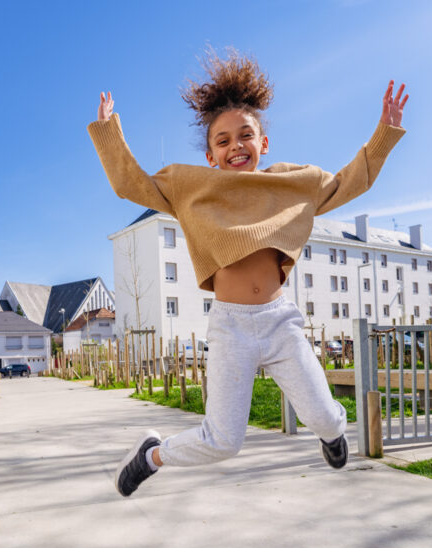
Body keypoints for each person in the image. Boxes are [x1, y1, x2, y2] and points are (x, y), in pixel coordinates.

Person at [88, 50, 407, 497]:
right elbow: (130, 184)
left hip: (280, 321)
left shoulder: (292, 184)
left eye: (245, 135)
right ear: (210, 154)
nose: (235, 146)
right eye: (223, 141)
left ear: (263, 142)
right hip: (231, 327)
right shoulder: (192, 186)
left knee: (325, 416)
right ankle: (151, 456)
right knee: (223, 441)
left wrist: (384, 134)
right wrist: (108, 132)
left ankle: (331, 433)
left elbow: (350, 181)